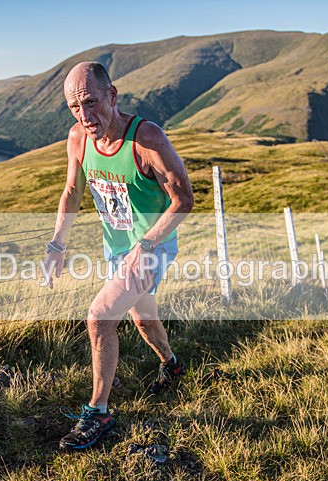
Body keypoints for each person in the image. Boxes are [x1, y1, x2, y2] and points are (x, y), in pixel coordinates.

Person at [43, 62, 194, 451]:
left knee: (99, 317)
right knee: (143, 318)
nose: (84, 115)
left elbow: (184, 200)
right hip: (117, 248)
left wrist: (145, 246)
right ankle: (172, 364)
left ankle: (99, 412)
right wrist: (57, 244)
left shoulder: (147, 139)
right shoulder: (78, 137)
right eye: (75, 107)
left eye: (91, 102)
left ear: (112, 95)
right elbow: (72, 191)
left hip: (152, 245)